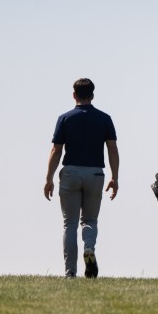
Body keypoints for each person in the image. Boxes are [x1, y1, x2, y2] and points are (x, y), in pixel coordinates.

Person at [44, 78, 119, 278]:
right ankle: (89, 249)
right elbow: (112, 148)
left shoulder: (65, 118)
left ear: (74, 95)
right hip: (95, 173)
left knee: (69, 224)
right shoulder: (105, 118)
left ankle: (70, 272)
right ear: (92, 95)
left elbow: (56, 150)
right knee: (90, 220)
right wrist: (115, 177)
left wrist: (49, 178)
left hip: (71, 173)